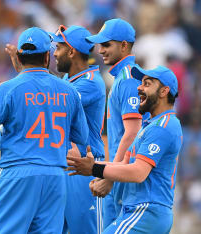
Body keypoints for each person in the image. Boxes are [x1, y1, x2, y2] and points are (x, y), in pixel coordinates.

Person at [0, 27, 89, 233]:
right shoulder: (69, 90)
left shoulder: (7, 89)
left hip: (16, 173)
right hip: (55, 176)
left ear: (19, 57)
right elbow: (82, 137)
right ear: (46, 58)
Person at [67, 66, 182, 234]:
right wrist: (90, 166)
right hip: (142, 211)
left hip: (146, 211)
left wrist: (94, 168)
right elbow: (124, 164)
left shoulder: (162, 127)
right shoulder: (150, 125)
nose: (139, 87)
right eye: (141, 83)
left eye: (147, 84)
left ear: (164, 91)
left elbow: (138, 173)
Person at [86, 18, 145, 229]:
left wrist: (108, 175)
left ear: (124, 45)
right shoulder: (121, 78)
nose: (100, 50)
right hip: (121, 173)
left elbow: (133, 132)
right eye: (100, 45)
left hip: (126, 180)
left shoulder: (129, 80)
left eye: (107, 44)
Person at [52, 25, 106, 234]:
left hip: (85, 167)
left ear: (72, 51)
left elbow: (54, 103)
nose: (54, 54)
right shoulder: (67, 80)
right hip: (66, 164)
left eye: (58, 48)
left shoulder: (91, 83)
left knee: (86, 230)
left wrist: (27, 75)